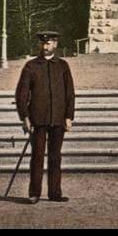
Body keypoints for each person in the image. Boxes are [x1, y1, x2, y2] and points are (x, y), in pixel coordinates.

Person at [14, 30, 75, 204]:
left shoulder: (63, 65)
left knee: (56, 156)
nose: (45, 46)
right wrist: (24, 117)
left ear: (55, 44)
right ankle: (34, 193)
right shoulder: (31, 66)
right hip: (37, 119)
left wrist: (69, 116)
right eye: (42, 43)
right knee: (37, 156)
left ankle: (55, 193)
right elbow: (21, 94)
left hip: (58, 118)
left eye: (48, 43)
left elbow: (70, 93)